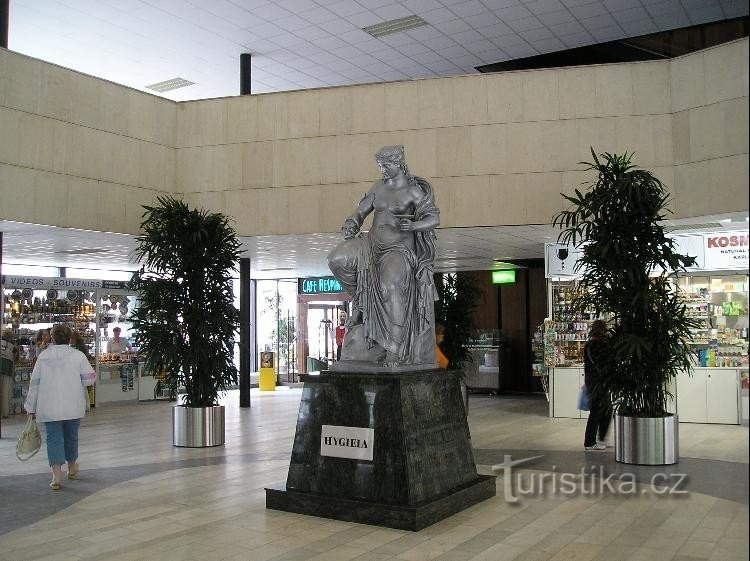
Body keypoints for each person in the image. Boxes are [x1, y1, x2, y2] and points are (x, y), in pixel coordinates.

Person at [328, 145, 440, 367]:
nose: (383, 170)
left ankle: (394, 349)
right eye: (380, 166)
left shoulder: (413, 191)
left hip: (398, 249)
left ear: (398, 163)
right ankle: (361, 299)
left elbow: (434, 218)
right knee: (336, 259)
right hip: (370, 245)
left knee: (389, 287)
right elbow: (360, 211)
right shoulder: (378, 187)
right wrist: (352, 223)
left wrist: (415, 225)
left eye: (386, 165)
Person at [24, 325, 96, 490]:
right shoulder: (78, 356)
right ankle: (72, 467)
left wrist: (30, 406)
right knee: (71, 436)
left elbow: (34, 383)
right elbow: (89, 379)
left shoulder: (43, 357)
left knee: (54, 439)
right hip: (73, 405)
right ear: (70, 338)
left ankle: (56, 476)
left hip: (49, 406)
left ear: (52, 338)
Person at [583, 319, 611, 451]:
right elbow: (606, 364)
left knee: (605, 409)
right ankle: (590, 441)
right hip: (600, 382)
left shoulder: (588, 345)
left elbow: (587, 365)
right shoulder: (603, 345)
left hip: (591, 381)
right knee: (597, 411)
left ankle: (599, 438)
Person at [1, 329, 20, 418]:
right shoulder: (13, 347)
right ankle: (5, 413)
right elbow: (16, 359)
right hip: (7, 371)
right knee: (5, 392)